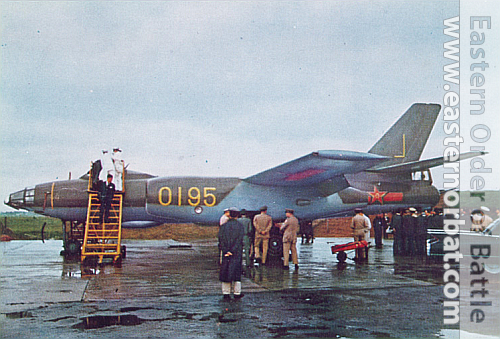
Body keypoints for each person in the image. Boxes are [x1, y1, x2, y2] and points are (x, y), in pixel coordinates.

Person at [218, 207, 245, 300]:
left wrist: (226, 251)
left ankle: (226, 293)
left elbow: (221, 240)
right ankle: (237, 293)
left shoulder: (223, 226)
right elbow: (239, 240)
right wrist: (232, 251)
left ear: (229, 214)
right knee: (236, 273)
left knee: (225, 272)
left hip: (226, 254)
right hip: (236, 253)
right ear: (237, 215)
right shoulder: (240, 226)